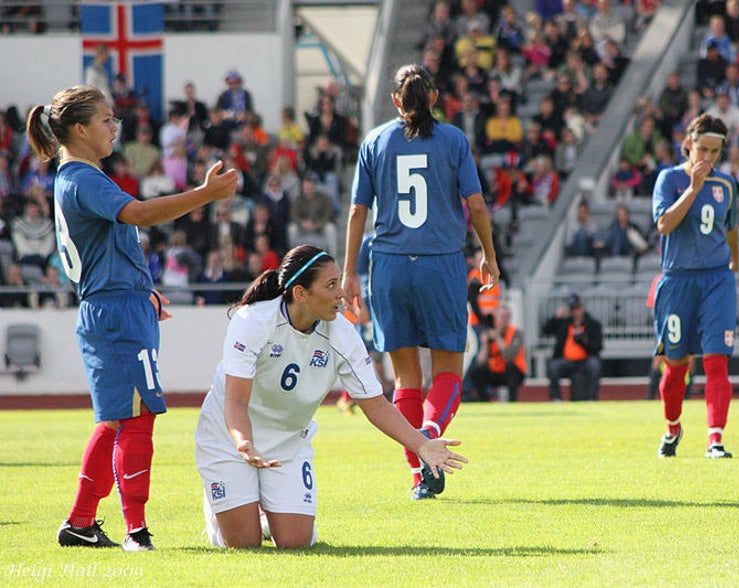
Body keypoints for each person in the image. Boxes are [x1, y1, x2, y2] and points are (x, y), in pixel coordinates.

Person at [26, 85, 238, 550]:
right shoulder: (84, 179)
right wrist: (204, 194)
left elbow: (112, 244)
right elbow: (139, 215)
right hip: (116, 311)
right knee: (137, 419)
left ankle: (81, 522)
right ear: (79, 129)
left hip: (115, 303)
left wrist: (143, 290)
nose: (113, 126)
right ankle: (135, 532)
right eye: (105, 120)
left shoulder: (74, 177)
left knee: (116, 420)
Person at [194, 245, 466, 548]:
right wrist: (245, 444)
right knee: (244, 545)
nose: (341, 294)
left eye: (339, 282)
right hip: (230, 438)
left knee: (296, 543)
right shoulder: (252, 321)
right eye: (331, 285)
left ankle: (261, 509)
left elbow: (375, 405)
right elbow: (234, 402)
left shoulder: (342, 333)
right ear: (300, 293)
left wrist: (422, 444)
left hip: (288, 443)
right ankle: (220, 514)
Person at [342, 64, 499, 500]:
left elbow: (358, 212)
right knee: (449, 371)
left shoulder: (375, 141)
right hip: (441, 263)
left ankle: (418, 476)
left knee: (406, 380)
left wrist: (350, 271)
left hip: (389, 266)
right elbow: (477, 206)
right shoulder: (452, 139)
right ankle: (430, 432)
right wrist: (488, 253)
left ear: (396, 100)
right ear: (433, 97)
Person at [651, 113, 739, 460]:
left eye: (715, 152)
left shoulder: (727, 185)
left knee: (717, 361)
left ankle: (715, 439)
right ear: (688, 144)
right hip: (678, 281)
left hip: (717, 280)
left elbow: (731, 225)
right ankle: (673, 428)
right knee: (676, 366)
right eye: (702, 149)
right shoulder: (669, 179)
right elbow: (664, 225)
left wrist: (733, 262)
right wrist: (693, 189)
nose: (708, 157)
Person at [542, 293, 603, 401]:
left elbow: (597, 347)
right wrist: (556, 317)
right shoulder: (564, 323)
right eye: (573, 309)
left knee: (594, 365)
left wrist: (583, 342)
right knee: (553, 367)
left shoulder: (592, 324)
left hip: (585, 359)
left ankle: (592, 398)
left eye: (577, 308)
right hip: (567, 360)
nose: (576, 311)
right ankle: (556, 398)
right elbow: (546, 330)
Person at [468, 306, 526, 402]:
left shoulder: (516, 333)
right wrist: (485, 343)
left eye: (505, 316)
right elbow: (481, 360)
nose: (502, 319)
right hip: (496, 371)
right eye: (500, 316)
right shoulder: (490, 334)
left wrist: (498, 338)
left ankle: (513, 400)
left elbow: (509, 356)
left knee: (511, 367)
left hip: (513, 372)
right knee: (476, 371)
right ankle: (484, 400)